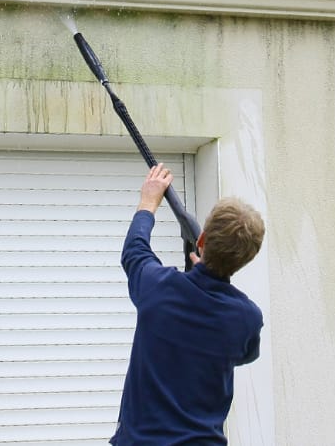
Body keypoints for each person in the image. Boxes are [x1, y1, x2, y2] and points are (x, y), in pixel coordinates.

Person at [110, 163, 265, 445]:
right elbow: (245, 354)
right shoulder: (247, 319)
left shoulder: (158, 288)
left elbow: (135, 251)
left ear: (202, 240)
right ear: (246, 259)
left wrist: (148, 202)